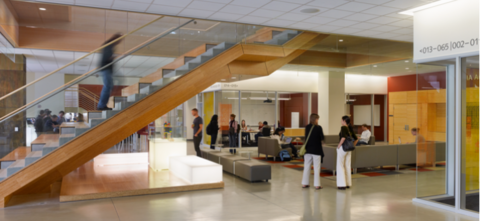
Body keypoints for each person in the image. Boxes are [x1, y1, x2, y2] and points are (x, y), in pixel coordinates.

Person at [97, 33, 123, 110]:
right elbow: (107, 57)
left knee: (109, 86)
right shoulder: (109, 44)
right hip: (106, 68)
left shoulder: (109, 45)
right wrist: (114, 56)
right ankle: (101, 105)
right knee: (108, 86)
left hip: (107, 68)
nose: (120, 42)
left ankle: (102, 105)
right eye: (120, 40)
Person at [301, 114, 325, 190]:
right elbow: (322, 138)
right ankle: (317, 185)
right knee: (316, 168)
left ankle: (305, 183)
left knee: (307, 167)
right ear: (316, 119)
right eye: (318, 119)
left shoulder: (307, 127)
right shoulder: (319, 128)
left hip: (308, 150)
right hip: (316, 150)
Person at [336, 115, 358, 190]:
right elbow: (356, 139)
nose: (340, 121)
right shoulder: (350, 128)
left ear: (344, 121)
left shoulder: (343, 127)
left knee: (340, 166)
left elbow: (343, 137)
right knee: (347, 165)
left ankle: (342, 184)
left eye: (341, 120)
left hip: (343, 148)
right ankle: (348, 183)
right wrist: (352, 146)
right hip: (349, 149)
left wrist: (339, 145)